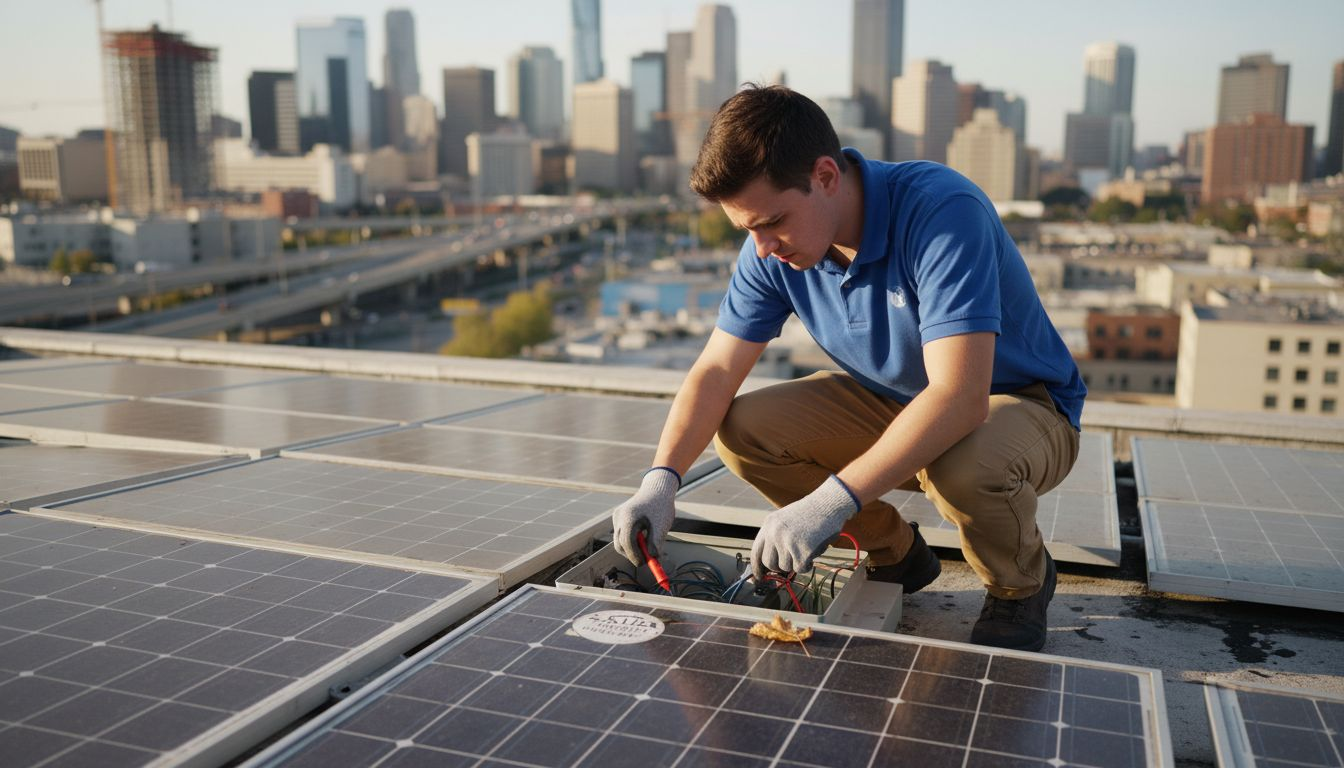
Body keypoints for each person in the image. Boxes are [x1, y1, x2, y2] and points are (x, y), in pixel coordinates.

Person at [611, 85, 1084, 652]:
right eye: (747, 230)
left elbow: (960, 398)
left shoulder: (940, 212)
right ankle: (899, 556)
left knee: (964, 463)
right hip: (898, 400)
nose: (761, 248)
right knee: (743, 432)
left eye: (772, 222)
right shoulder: (775, 246)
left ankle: (1020, 585)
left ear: (827, 176)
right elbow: (715, 369)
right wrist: (660, 482)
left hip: (1020, 405)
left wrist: (826, 505)